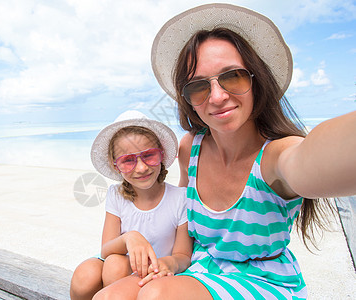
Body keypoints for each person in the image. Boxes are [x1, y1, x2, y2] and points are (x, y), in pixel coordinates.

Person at [98, 3, 356, 299]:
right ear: (189, 100)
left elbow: (316, 156)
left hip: (265, 281)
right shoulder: (189, 148)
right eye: (198, 86)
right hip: (198, 269)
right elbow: (182, 228)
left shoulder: (274, 157)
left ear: (256, 80)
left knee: (156, 296)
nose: (218, 96)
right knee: (108, 296)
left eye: (232, 76)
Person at [70, 110, 192, 300]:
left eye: (149, 155)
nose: (142, 167)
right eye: (128, 161)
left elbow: (183, 255)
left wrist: (169, 263)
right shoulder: (116, 195)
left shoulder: (180, 198)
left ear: (162, 154)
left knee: (114, 267)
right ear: (115, 166)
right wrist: (130, 238)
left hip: (158, 270)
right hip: (120, 265)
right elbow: (106, 249)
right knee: (84, 275)